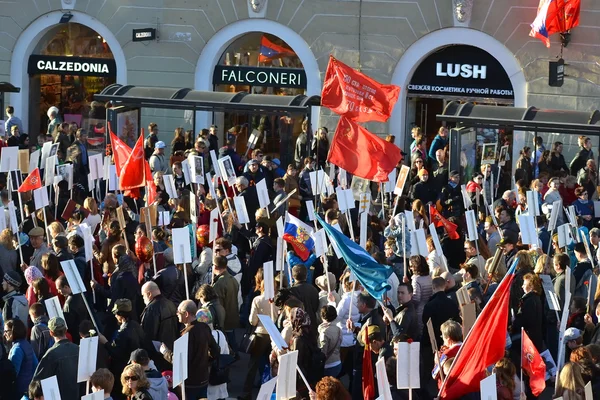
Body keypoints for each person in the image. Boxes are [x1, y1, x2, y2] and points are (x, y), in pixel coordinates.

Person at [161, 300, 219, 400]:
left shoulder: (187, 334)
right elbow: (216, 350)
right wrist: (205, 361)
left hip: (189, 383)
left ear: (186, 314)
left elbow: (179, 361)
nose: (177, 314)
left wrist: (165, 352)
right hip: (203, 379)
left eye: (179, 312)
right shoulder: (204, 327)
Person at [240, 270, 278, 400]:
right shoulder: (277, 300)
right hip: (274, 335)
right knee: (273, 365)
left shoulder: (258, 299)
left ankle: (246, 393)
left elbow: (253, 320)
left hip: (260, 334)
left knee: (253, 365)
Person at [33, 317, 80, 400]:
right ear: (65, 330)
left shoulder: (51, 354)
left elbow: (37, 382)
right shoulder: (79, 349)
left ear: (51, 333)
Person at [140, 281, 179, 357]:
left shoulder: (152, 309)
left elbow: (149, 334)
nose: (143, 298)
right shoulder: (170, 303)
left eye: (143, 295)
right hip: (172, 348)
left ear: (149, 294)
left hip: (159, 352)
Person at [211, 255, 240, 354]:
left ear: (215, 267)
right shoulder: (233, 279)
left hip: (225, 319)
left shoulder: (219, 284)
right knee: (231, 338)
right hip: (233, 315)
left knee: (229, 341)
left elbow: (218, 305)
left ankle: (234, 356)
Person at [5, 318, 38, 396]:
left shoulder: (17, 349)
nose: (4, 334)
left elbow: (13, 374)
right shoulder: (26, 344)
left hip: (19, 391)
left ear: (13, 331)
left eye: (6, 331)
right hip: (28, 388)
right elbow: (35, 365)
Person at [289, 264, 320, 335]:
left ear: (293, 276)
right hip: (311, 324)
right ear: (306, 275)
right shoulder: (313, 289)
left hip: (297, 325)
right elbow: (315, 306)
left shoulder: (291, 291)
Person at [319, 305, 342, 378]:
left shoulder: (324, 332)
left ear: (322, 316)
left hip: (328, 365)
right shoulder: (338, 329)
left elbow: (323, 352)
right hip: (338, 362)